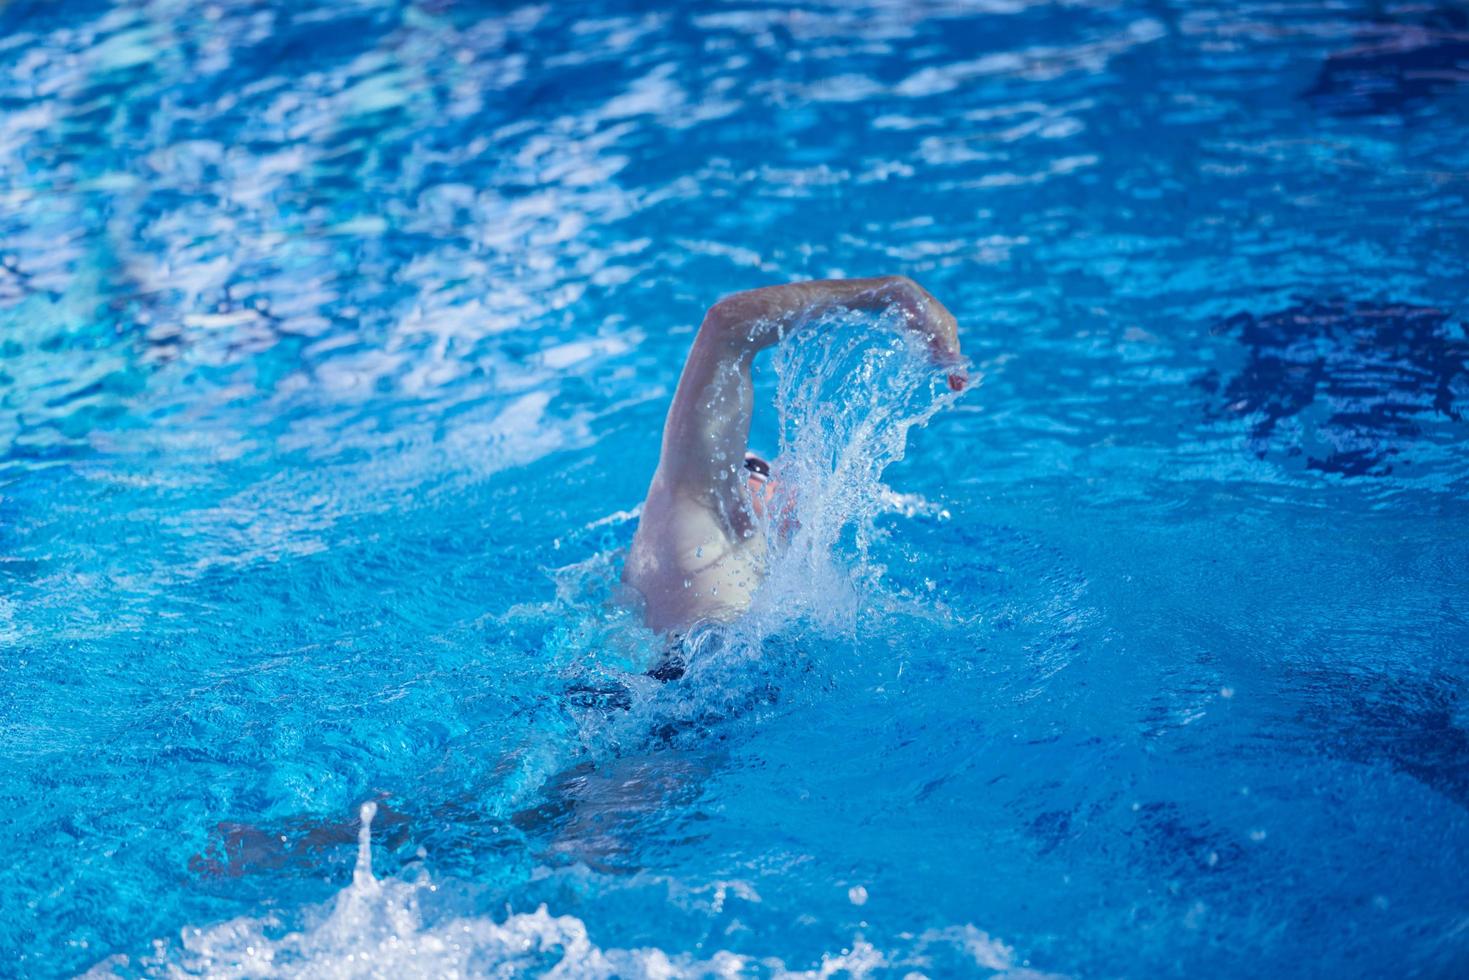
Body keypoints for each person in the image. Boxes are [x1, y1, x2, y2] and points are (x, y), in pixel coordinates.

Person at [622, 276, 965, 638]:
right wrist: (892, 292)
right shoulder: (695, 506)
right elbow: (725, 327)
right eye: (753, 468)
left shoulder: (778, 583)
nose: (775, 481)